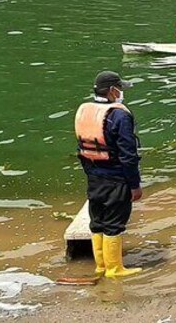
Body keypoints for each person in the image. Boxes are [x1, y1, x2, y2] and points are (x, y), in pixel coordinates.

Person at [74, 70, 143, 278]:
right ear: (113, 91)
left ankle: (101, 266)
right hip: (116, 178)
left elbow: (80, 148)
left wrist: (92, 174)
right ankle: (115, 270)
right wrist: (134, 185)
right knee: (114, 222)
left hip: (94, 176)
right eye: (120, 89)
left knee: (98, 221)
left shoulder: (85, 111)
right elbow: (128, 154)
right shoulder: (119, 115)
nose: (121, 93)